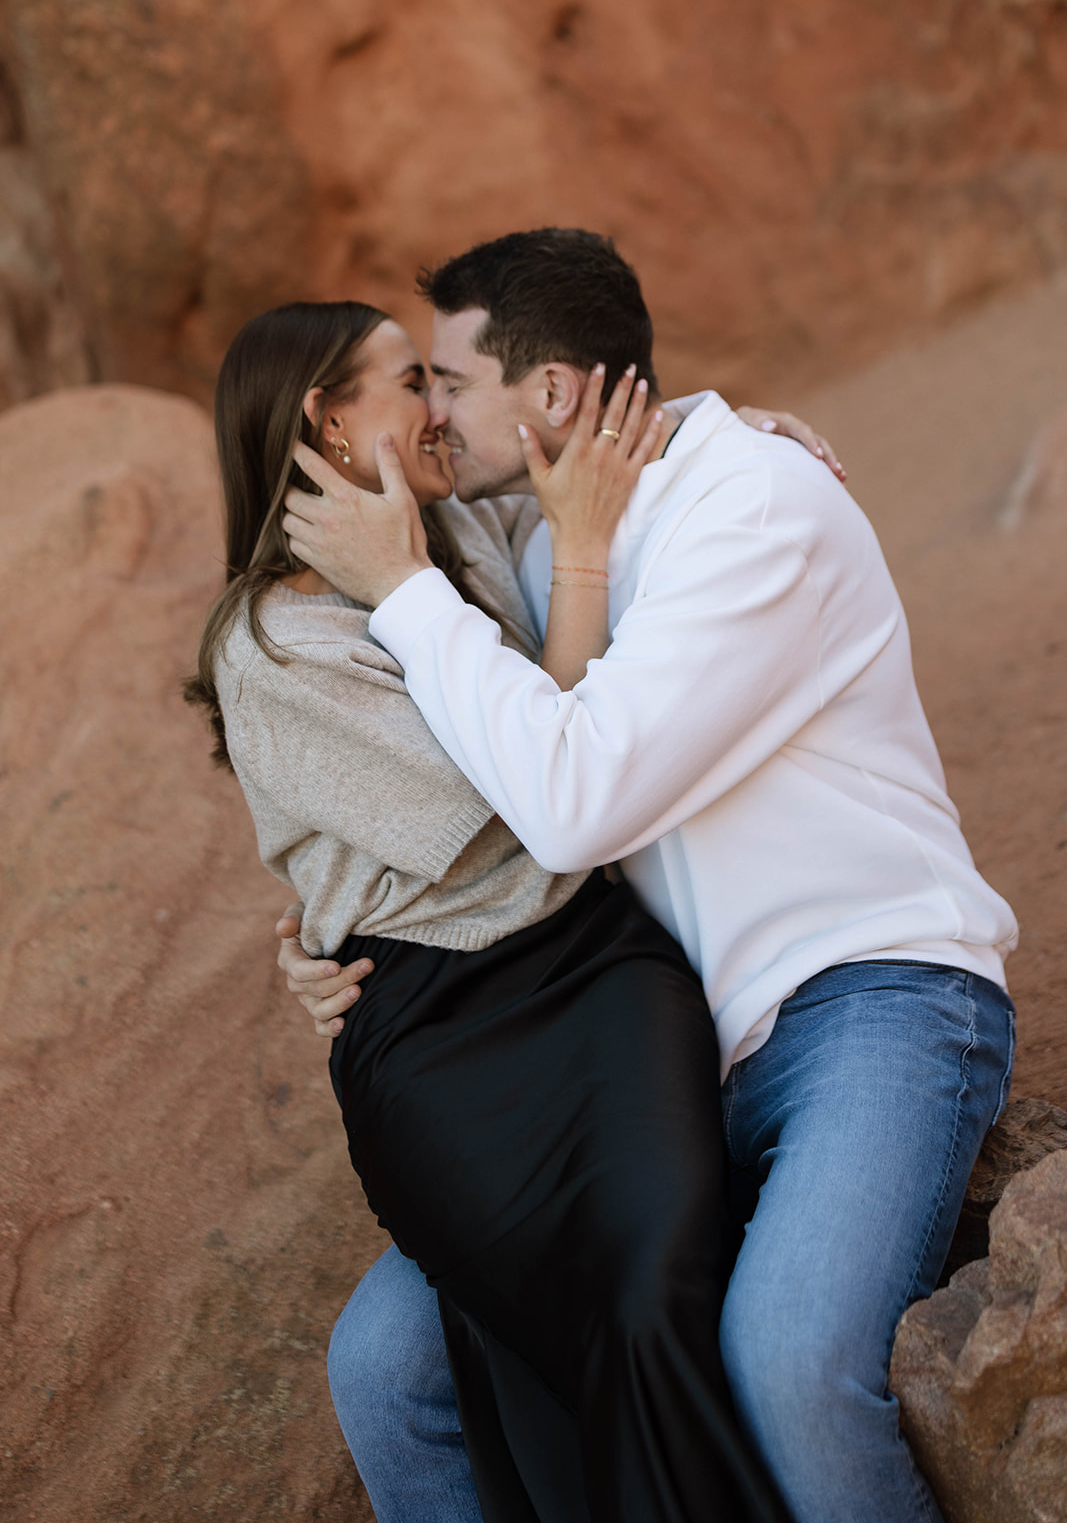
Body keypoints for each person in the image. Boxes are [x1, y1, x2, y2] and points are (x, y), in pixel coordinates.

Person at [279, 228, 1018, 1523]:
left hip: (869, 998)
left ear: (552, 393)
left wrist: (399, 589)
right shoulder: (532, 532)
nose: (433, 418)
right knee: (383, 1370)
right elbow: (456, 784)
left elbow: (572, 803)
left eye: (449, 383)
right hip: (655, 1058)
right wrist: (326, 937)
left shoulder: (756, 509)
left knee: (787, 1363)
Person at [185, 297, 793, 1523]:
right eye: (410, 381)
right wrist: (550, 568)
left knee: (656, 1281)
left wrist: (739, 436)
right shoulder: (275, 644)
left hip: (600, 974)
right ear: (327, 419)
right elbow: (532, 793)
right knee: (543, 1337)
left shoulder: (459, 523)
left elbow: (607, 468)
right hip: (448, 1039)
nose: (440, 407)